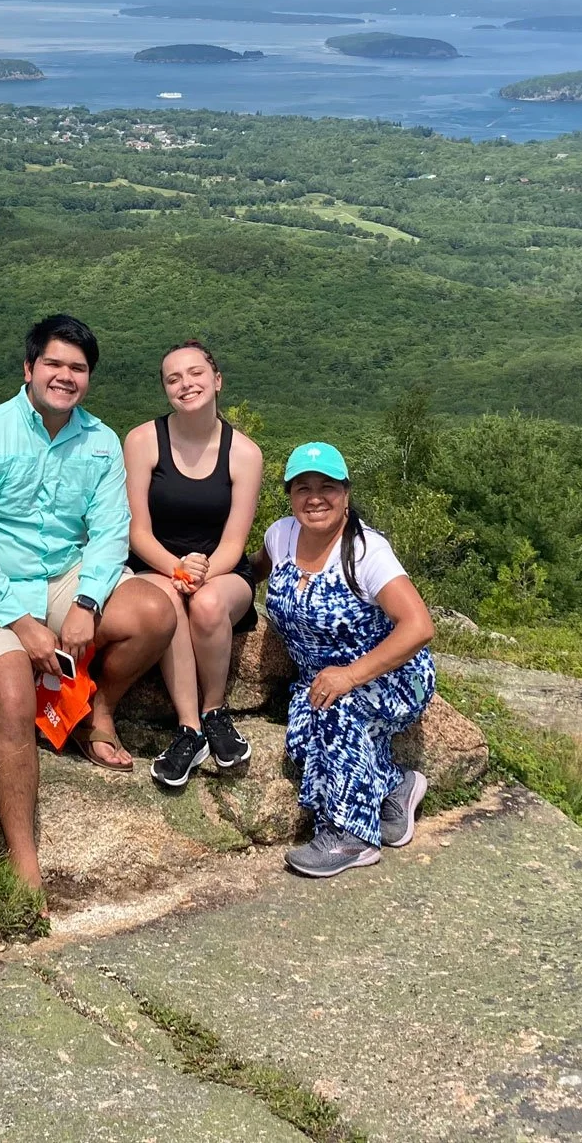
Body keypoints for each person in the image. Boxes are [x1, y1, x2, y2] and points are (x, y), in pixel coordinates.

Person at [0, 314, 179, 893]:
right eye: (54, 363)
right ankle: (24, 863)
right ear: (29, 368)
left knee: (154, 612)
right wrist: (23, 625)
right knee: (12, 694)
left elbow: (110, 531)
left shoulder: (99, 442)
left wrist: (87, 603)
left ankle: (96, 711)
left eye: (78, 367)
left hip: (63, 575)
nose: (66, 376)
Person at [252, 441, 438, 879]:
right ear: (290, 495)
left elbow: (418, 626)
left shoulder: (366, 551)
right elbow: (251, 570)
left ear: (346, 494)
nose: (315, 497)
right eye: (303, 487)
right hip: (320, 677)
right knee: (304, 739)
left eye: (327, 487)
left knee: (335, 714)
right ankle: (396, 786)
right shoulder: (281, 536)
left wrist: (351, 676)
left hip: (393, 674)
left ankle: (351, 837)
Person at [122, 341, 266, 788]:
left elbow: (234, 542)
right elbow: (137, 531)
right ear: (166, 390)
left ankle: (215, 710)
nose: (186, 384)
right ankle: (190, 729)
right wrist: (178, 570)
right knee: (167, 601)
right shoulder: (143, 441)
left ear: (217, 380)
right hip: (155, 563)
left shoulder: (245, 454)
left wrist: (201, 573)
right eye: (174, 378)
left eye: (196, 373)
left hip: (221, 570)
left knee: (206, 605)